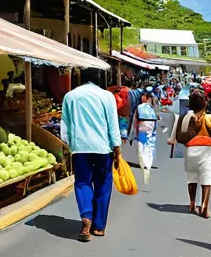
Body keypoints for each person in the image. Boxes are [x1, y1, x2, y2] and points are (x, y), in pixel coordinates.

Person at [60, 83, 122, 242]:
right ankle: (99, 226)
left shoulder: (70, 96)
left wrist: (67, 145)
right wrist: (117, 149)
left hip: (80, 147)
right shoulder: (107, 96)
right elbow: (113, 124)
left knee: (82, 182)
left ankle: (87, 217)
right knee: (103, 182)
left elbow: (65, 124)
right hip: (103, 147)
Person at [175, 90, 211, 219]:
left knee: (192, 176)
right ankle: (204, 206)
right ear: (205, 103)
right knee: (207, 177)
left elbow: (178, 136)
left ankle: (192, 203)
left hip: (190, 150)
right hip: (205, 151)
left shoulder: (185, 118)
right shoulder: (209, 118)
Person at [129, 92, 159, 185]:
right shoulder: (152, 108)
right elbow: (156, 120)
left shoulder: (139, 107)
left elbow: (135, 121)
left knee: (141, 145)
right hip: (151, 126)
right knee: (149, 144)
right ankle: (148, 163)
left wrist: (132, 135)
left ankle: (144, 163)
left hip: (142, 125)